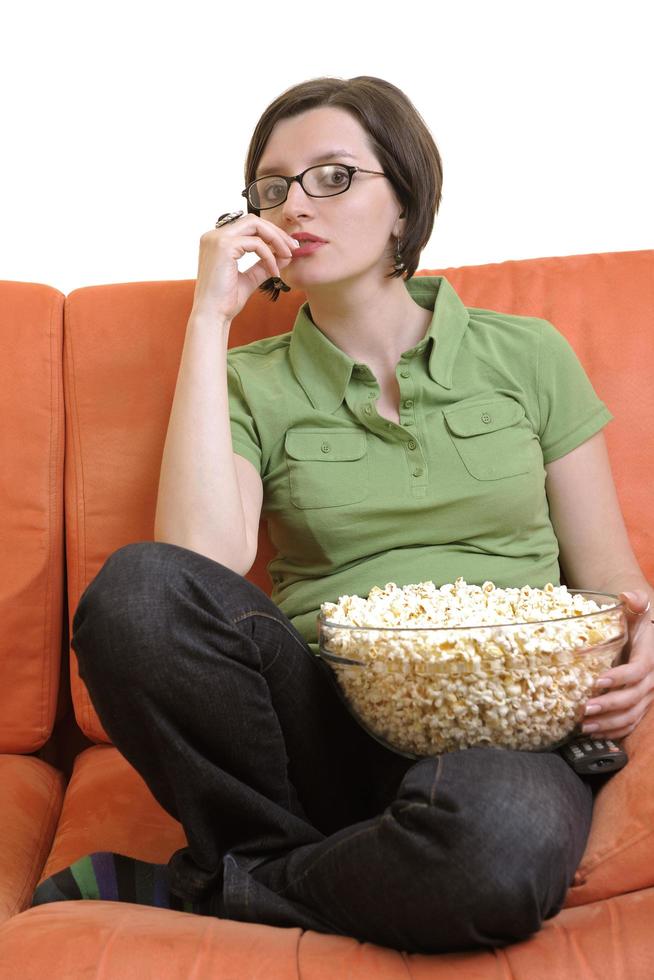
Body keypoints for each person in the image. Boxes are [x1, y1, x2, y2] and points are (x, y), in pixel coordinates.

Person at [31, 76, 654, 955]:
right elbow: (198, 562)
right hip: (320, 722)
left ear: (404, 202)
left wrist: (642, 632)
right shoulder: (249, 380)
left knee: (493, 857)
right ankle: (339, 861)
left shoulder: (529, 355)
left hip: (498, 723)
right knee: (135, 590)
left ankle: (223, 886)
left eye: (333, 176)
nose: (295, 206)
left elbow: (611, 577)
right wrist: (210, 319)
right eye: (272, 187)